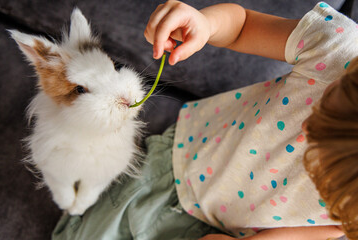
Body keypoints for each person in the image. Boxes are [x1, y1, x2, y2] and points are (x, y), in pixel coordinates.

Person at [53, 1, 358, 240]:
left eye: (319, 149)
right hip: (178, 168)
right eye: (324, 107)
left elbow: (333, 227)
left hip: (241, 230)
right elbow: (241, 26)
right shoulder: (338, 46)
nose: (307, 130)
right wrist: (205, 24)